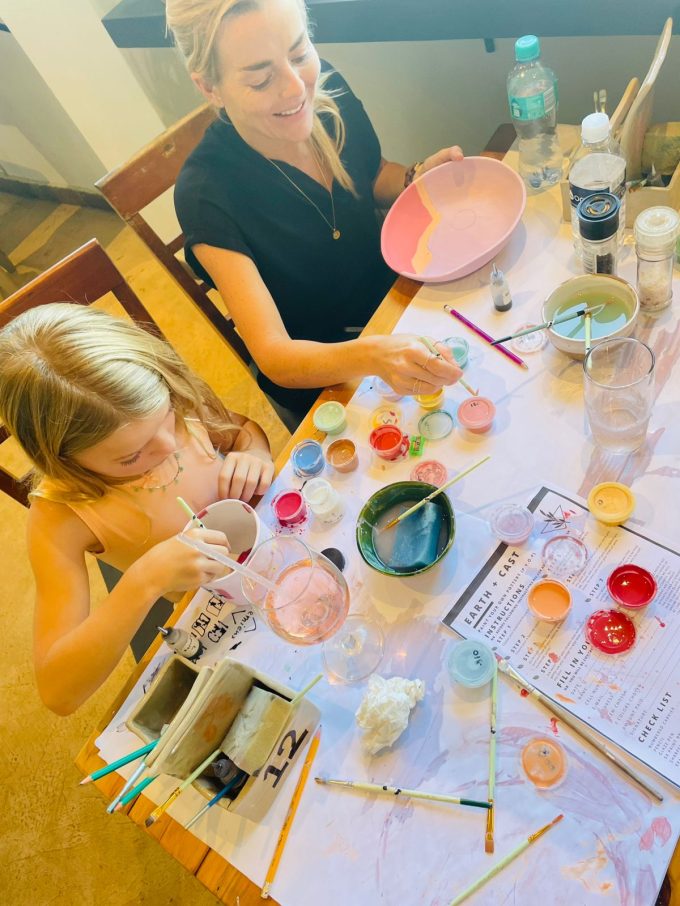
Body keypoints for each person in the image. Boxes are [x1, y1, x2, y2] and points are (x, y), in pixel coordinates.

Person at [168, 0, 464, 428]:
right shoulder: (206, 193)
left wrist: (414, 179)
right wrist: (375, 354)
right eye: (261, 79)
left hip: (398, 304)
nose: (295, 89)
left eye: (299, 53)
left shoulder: (328, 93)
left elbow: (371, 174)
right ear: (209, 88)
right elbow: (275, 356)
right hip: (327, 383)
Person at [0, 303, 275, 715]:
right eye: (131, 456)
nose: (169, 445)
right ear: (63, 460)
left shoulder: (171, 398)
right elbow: (58, 691)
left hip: (276, 552)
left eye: (169, 417)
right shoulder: (60, 517)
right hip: (223, 615)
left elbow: (240, 433)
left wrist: (254, 452)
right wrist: (146, 579)